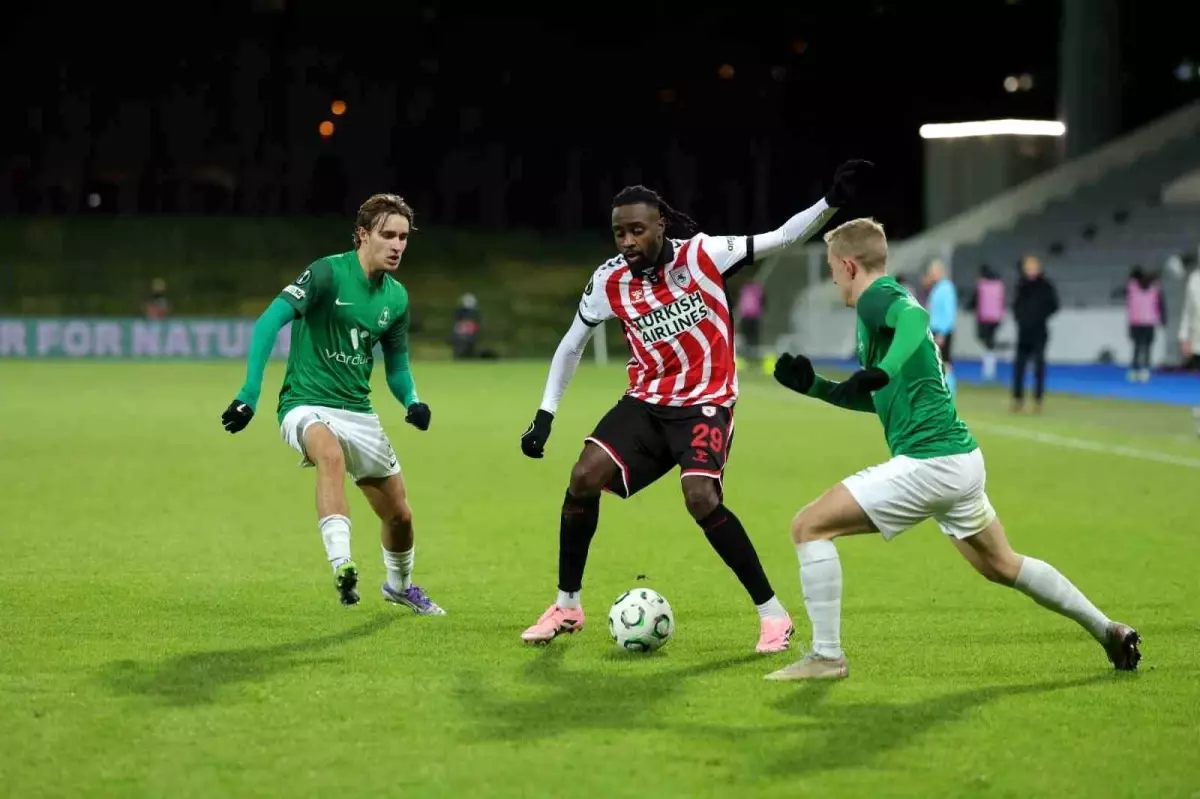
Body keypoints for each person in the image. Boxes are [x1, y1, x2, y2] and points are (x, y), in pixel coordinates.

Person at [517, 160, 874, 652]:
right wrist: (545, 414)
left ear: (660, 225)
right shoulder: (609, 281)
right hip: (646, 403)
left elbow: (782, 237)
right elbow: (571, 345)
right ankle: (567, 606)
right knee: (583, 477)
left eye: (637, 230)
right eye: (619, 233)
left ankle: (773, 615)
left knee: (701, 498)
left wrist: (831, 202)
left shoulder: (704, 254)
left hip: (706, 402)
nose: (627, 241)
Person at [765, 217, 1141, 680]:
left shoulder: (877, 298)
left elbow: (915, 319)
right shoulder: (879, 309)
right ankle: (1108, 630)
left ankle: (826, 657)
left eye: (831, 268)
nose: (832, 278)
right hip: (960, 461)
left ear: (847, 265)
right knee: (1002, 565)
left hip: (931, 462)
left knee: (808, 527)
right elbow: (878, 396)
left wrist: (884, 368)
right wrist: (817, 387)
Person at [220, 193, 444, 615]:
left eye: (403, 237)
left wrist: (412, 400)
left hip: (358, 410)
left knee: (399, 516)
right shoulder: (326, 273)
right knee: (329, 454)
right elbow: (269, 322)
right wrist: (248, 395)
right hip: (305, 402)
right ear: (363, 235)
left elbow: (397, 367)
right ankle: (343, 564)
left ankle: (399, 586)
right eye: (388, 235)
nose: (397, 245)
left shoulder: (396, 298)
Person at [1011, 255, 1059, 413]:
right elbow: (1015, 306)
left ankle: (1038, 401)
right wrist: (1020, 318)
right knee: (1019, 367)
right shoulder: (1021, 285)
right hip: (1023, 333)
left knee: (1039, 367)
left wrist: (1040, 316)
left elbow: (1054, 305)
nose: (1030, 270)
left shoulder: (1046, 286)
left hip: (1039, 332)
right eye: (1028, 267)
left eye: (1033, 267)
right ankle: (1017, 400)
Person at [1123, 266, 1166, 383]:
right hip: (1143, 322)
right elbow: (1161, 305)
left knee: (1140, 347)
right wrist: (1163, 318)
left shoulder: (1134, 287)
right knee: (1143, 347)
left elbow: (1160, 304)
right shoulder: (1149, 288)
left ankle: (1138, 370)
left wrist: (1163, 318)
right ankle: (1140, 369)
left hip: (1140, 322)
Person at [923, 259, 957, 396]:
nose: (931, 275)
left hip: (942, 331)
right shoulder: (937, 288)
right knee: (936, 362)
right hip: (934, 330)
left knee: (945, 363)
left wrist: (943, 333)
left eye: (933, 272)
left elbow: (949, 312)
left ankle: (949, 391)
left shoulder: (946, 288)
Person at [968, 265, 1005, 381]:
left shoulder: (982, 285)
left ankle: (988, 368)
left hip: (984, 318)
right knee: (989, 341)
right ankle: (990, 365)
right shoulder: (998, 285)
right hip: (996, 318)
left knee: (983, 338)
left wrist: (969, 307)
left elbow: (975, 300)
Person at [736, 280, 766, 369]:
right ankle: (746, 359)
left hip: (754, 317)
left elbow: (763, 301)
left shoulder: (758, 289)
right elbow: (741, 302)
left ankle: (754, 359)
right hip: (746, 317)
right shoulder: (745, 289)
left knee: (754, 339)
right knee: (746, 338)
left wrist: (761, 312)